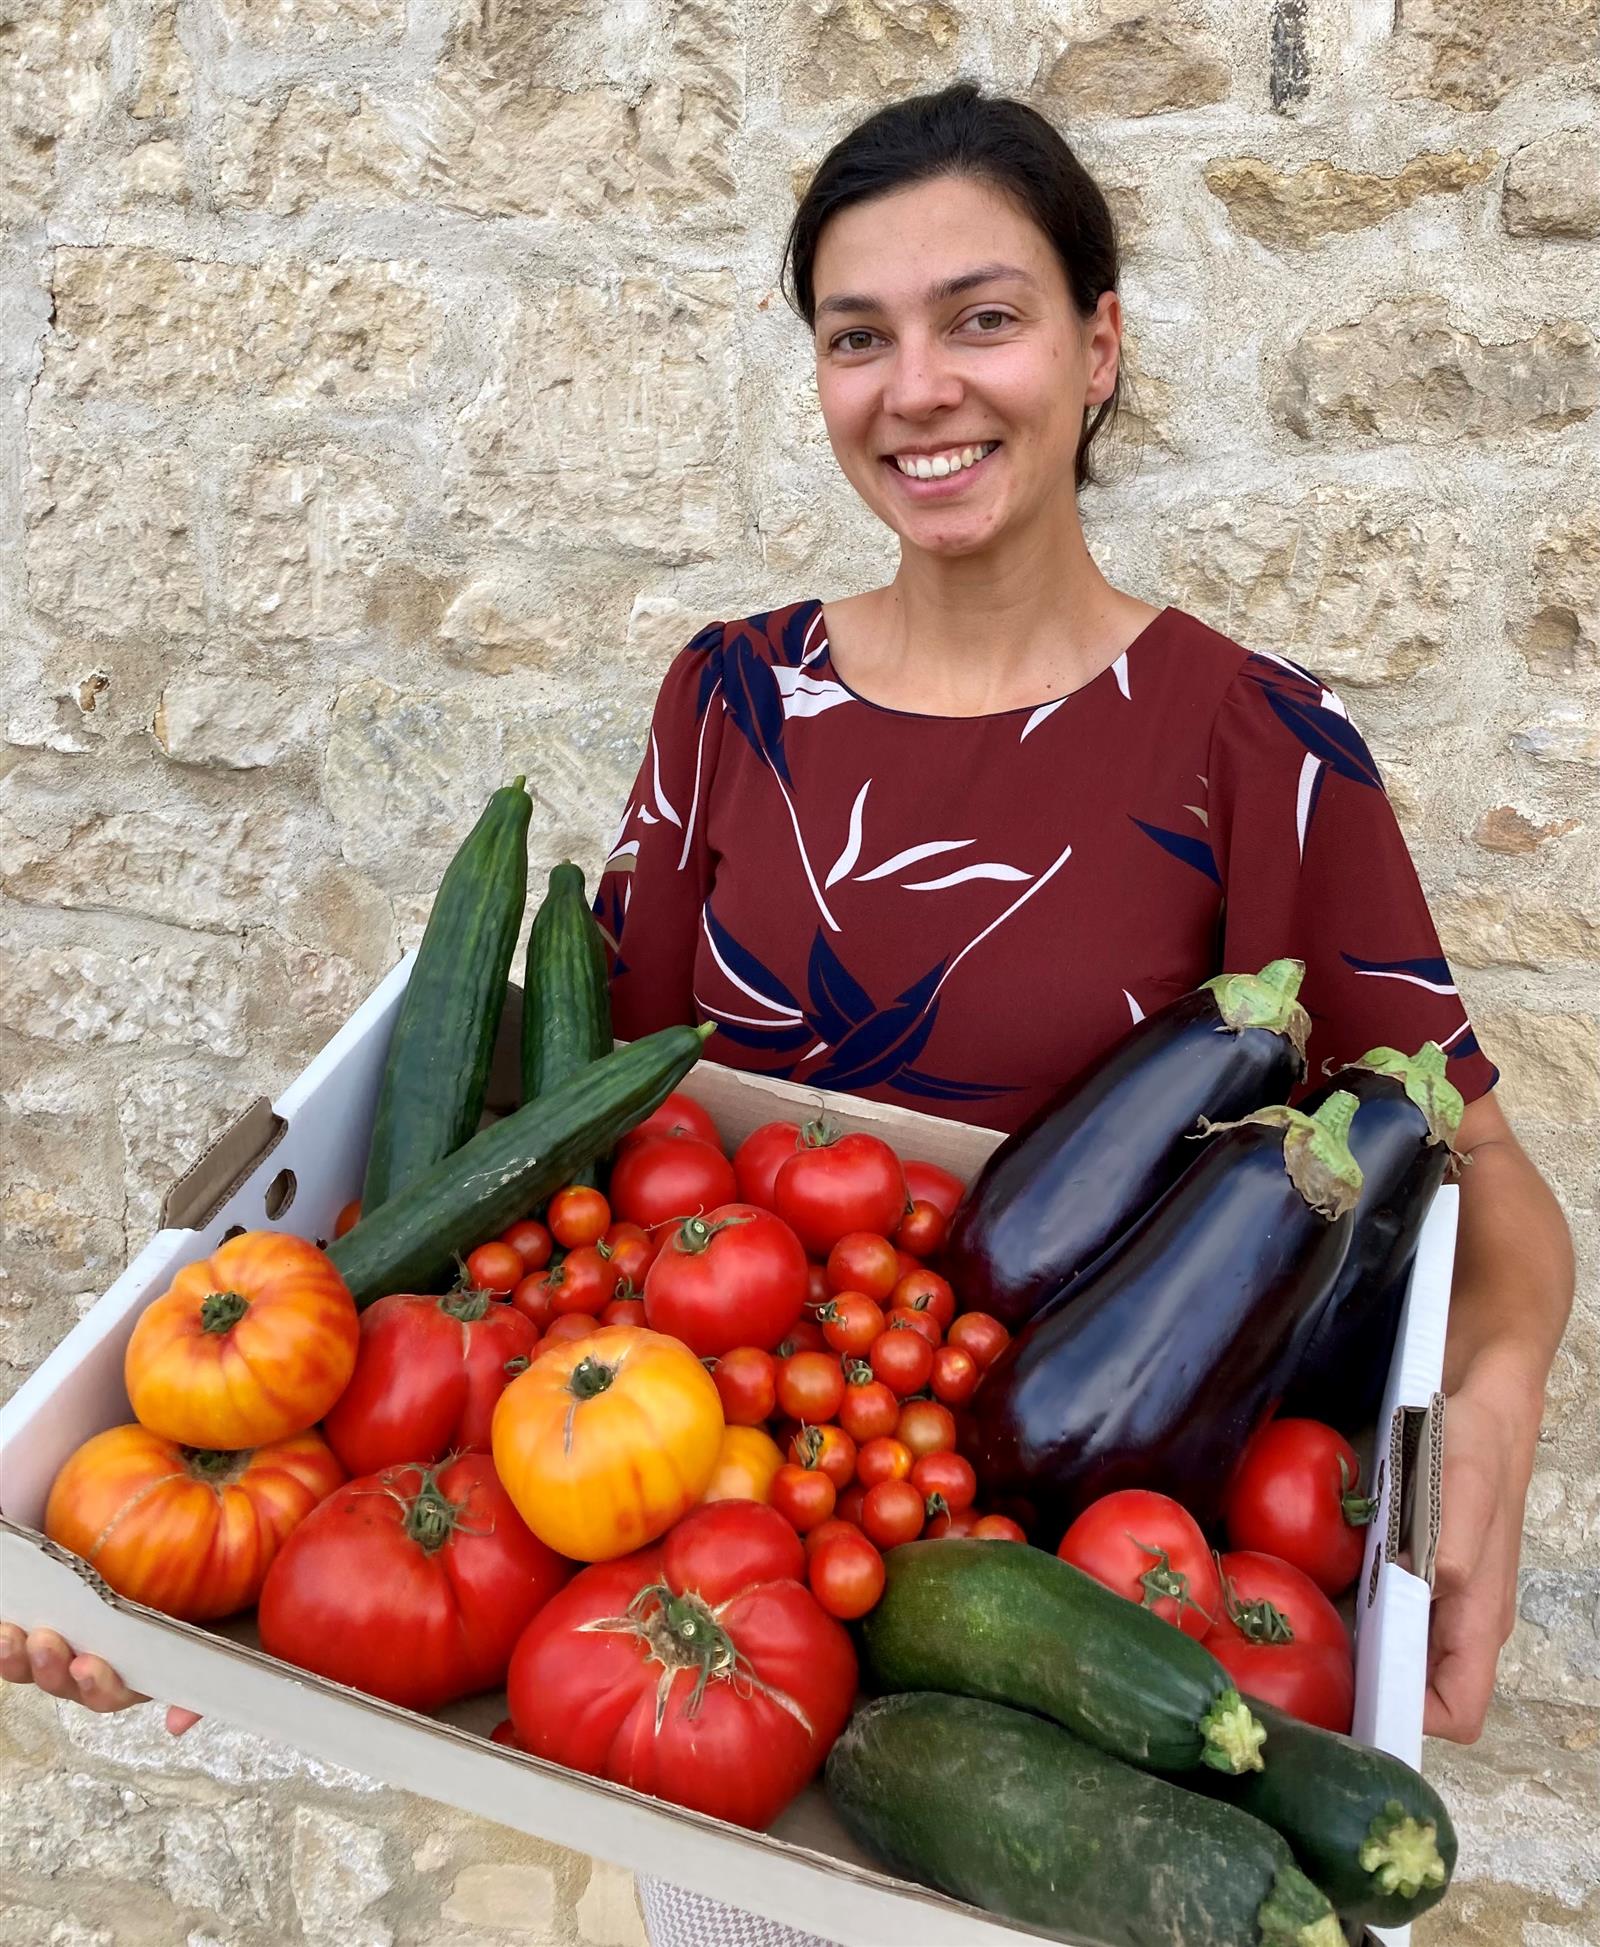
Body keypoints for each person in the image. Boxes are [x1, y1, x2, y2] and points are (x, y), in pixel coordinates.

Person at [1, 80, 1574, 1947]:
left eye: (984, 317)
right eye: (858, 336)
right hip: (714, 1637)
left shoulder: (1262, 747)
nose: (918, 387)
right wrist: (220, 1585)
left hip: (1077, 1667)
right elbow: (615, 1148)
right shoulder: (734, 702)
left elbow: (1485, 1192)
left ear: (1100, 345)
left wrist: (1490, 1414)